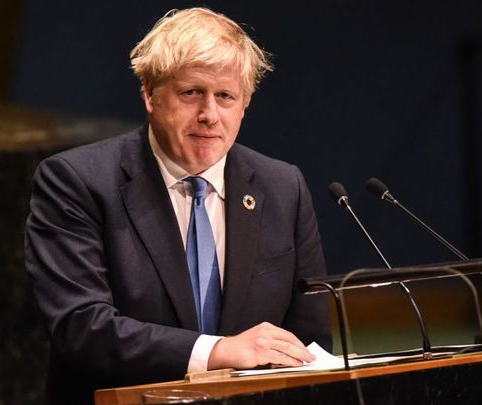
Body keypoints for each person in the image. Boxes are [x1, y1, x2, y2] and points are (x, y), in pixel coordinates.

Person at [25, 7, 331, 404]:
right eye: (191, 93)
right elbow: (82, 327)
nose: (209, 115)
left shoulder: (282, 186)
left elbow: (309, 338)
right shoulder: (77, 181)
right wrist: (217, 352)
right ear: (150, 94)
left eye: (225, 96)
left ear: (245, 103)